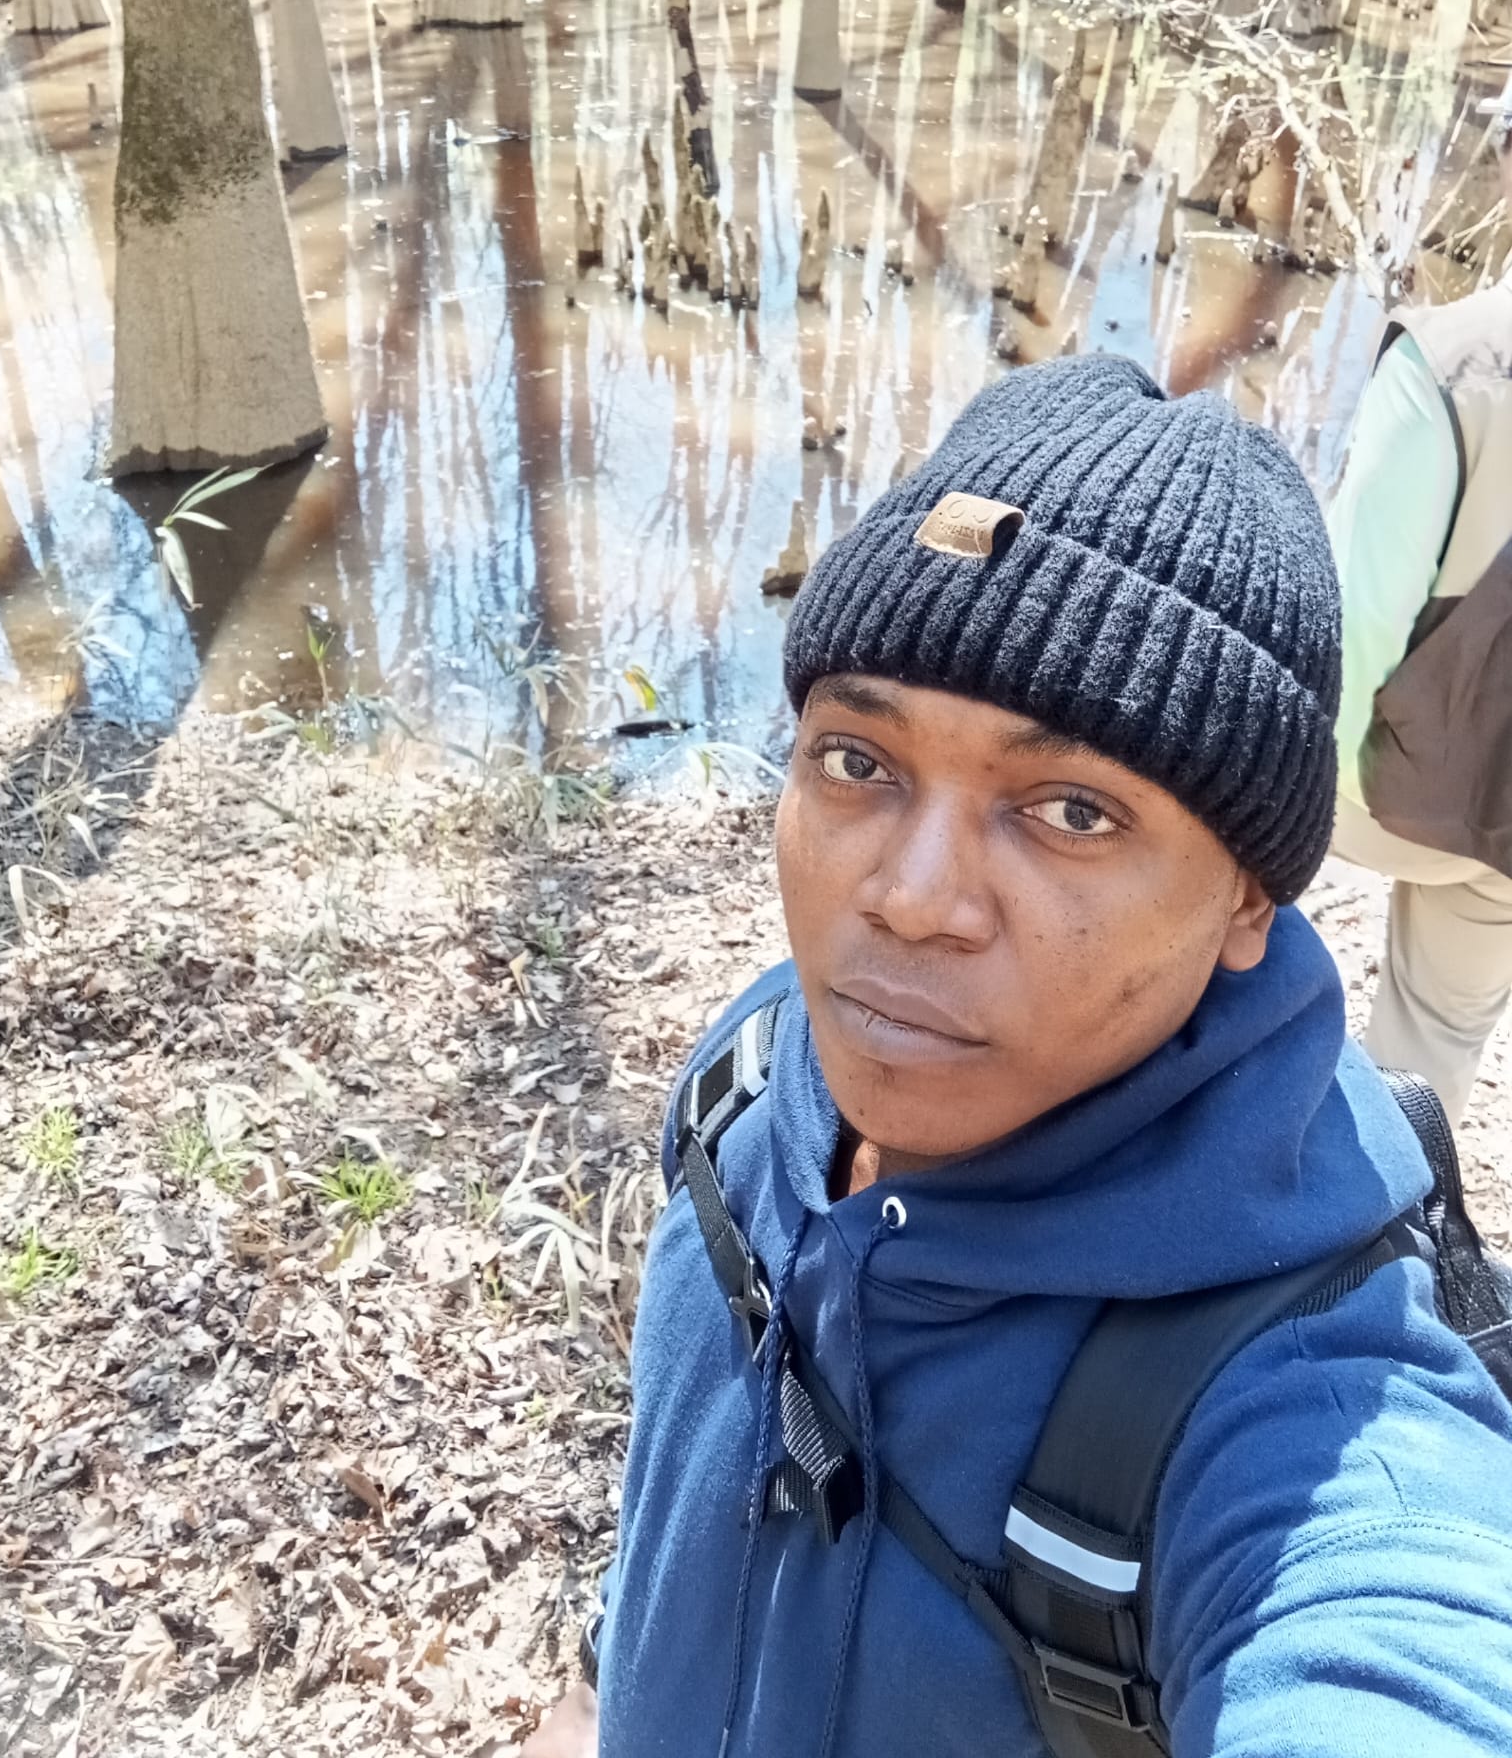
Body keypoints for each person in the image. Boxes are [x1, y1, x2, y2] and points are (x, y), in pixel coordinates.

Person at [529, 358, 1512, 1758]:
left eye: (1069, 810)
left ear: (1248, 900)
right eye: (858, 762)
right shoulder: (750, 1083)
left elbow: (1406, 1653)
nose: (913, 899)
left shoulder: (1306, 1410)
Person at [1327, 98, 1512, 1124]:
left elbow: (1350, 631)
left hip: (1378, 789)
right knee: (1433, 1044)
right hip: (1506, 836)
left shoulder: (1454, 363)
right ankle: (1390, 1241)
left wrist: (1267, 802)